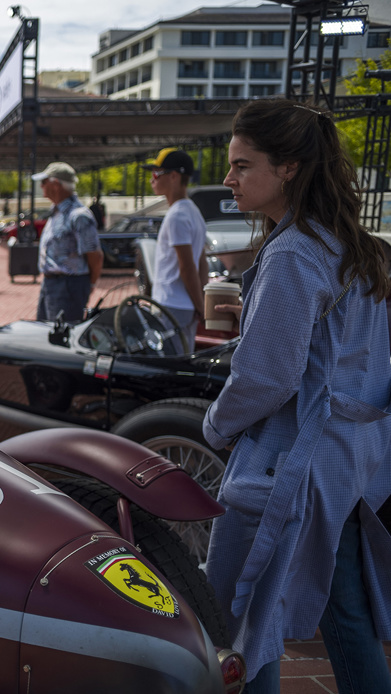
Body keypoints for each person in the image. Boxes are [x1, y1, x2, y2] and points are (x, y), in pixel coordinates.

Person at [203, 99, 391, 694]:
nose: (229, 179)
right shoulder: (355, 247)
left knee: (250, 614)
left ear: (288, 167)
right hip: (354, 460)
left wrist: (215, 426)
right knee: (346, 612)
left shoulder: (291, 253)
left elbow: (267, 378)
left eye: (241, 165)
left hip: (296, 463)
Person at [142, 148, 208, 351]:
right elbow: (201, 262)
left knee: (170, 362)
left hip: (171, 305)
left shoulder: (176, 216)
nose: (152, 180)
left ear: (173, 176)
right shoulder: (193, 211)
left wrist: (200, 305)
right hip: (184, 306)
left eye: (156, 173)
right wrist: (200, 302)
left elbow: (187, 266)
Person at [33, 162, 102, 323]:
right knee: (45, 333)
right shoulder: (58, 212)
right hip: (52, 284)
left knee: (61, 337)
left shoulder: (78, 216)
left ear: (56, 184)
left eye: (44, 182)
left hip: (68, 286)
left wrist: (88, 285)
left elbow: (95, 256)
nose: (42, 186)